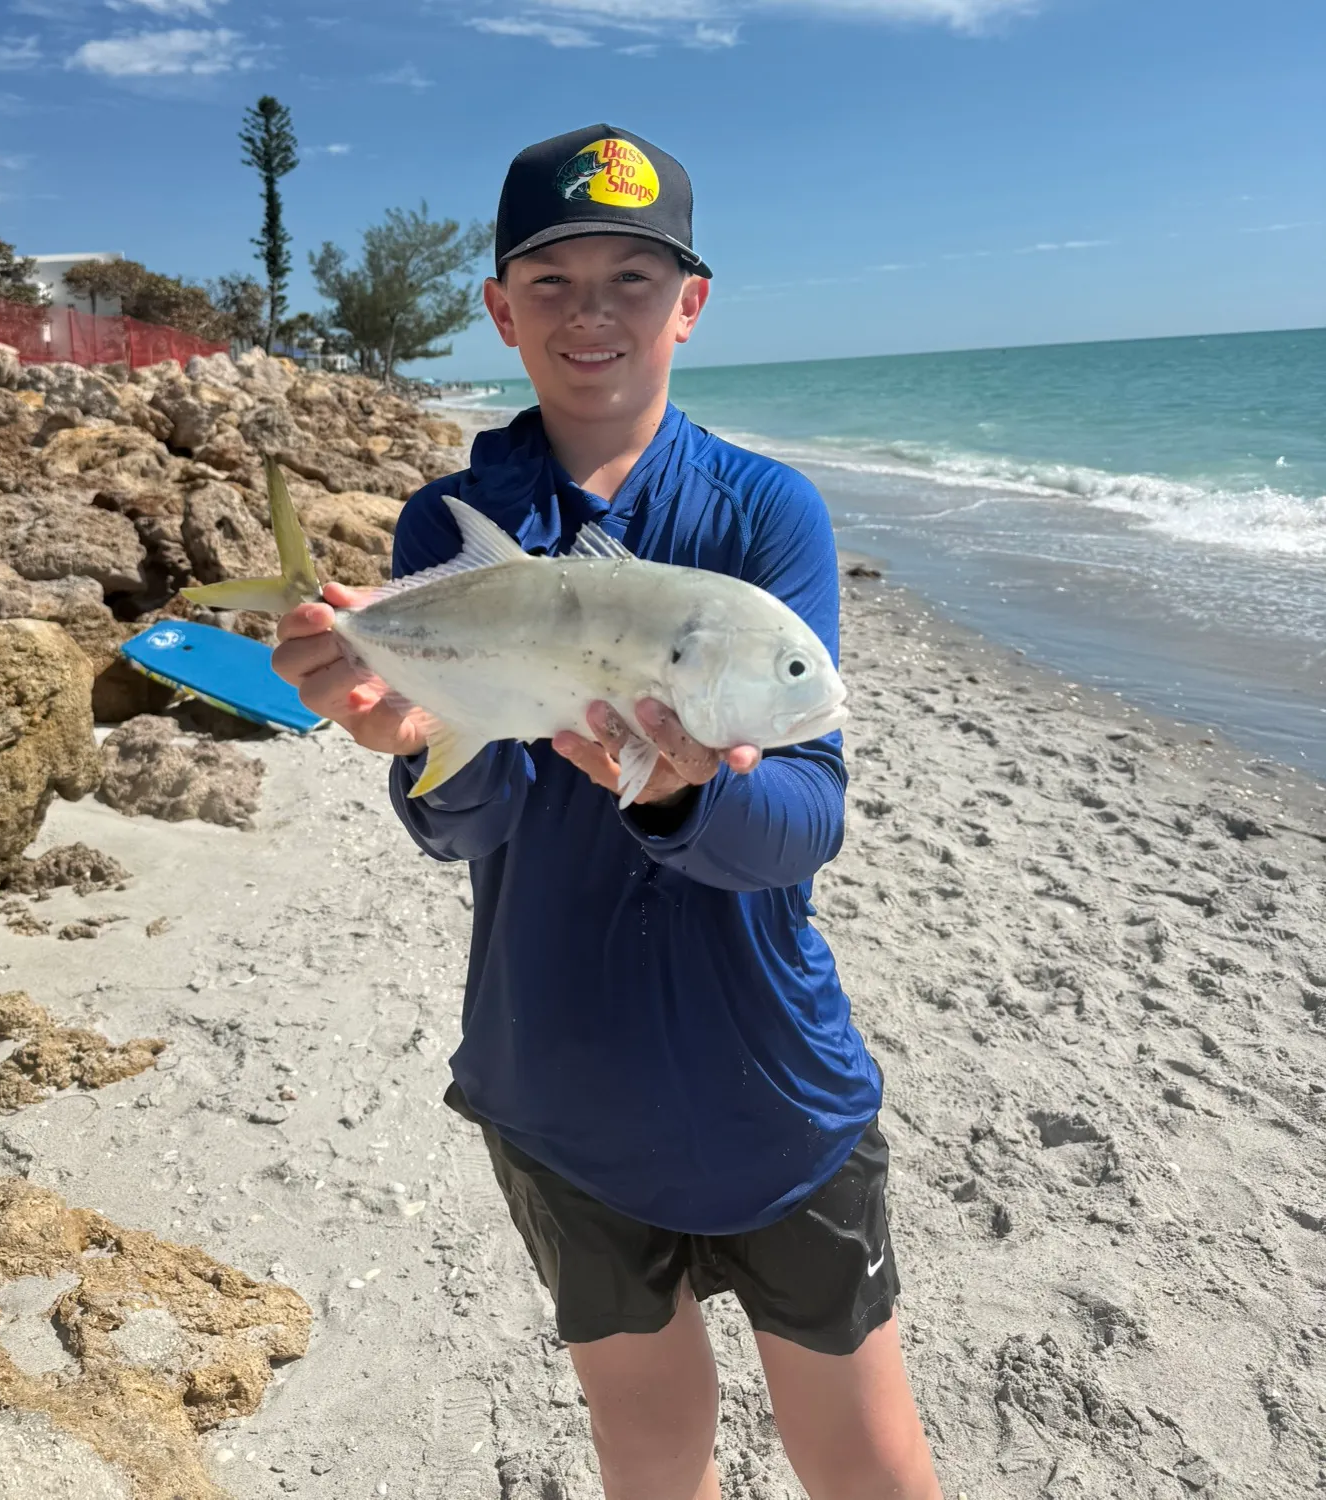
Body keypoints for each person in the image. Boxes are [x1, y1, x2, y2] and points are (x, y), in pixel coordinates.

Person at [273, 124, 943, 1500]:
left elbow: (806, 821)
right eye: (554, 280)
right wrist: (411, 739)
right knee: (647, 1452)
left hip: (773, 1087)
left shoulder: (767, 515)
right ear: (499, 308)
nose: (594, 314)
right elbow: (464, 826)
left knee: (870, 1463)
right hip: (555, 1078)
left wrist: (691, 798)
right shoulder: (455, 520)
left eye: (633, 279)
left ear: (690, 303)